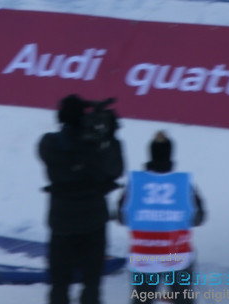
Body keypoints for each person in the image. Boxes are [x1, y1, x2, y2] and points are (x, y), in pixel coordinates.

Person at [38, 95, 125, 304]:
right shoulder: (96, 146)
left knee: (59, 283)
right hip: (93, 221)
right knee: (92, 284)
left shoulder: (49, 143)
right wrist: (110, 136)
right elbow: (115, 170)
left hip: (61, 221)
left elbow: (51, 151)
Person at [118, 131, 206, 301]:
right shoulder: (184, 183)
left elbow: (122, 217)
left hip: (144, 256)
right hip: (177, 255)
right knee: (183, 299)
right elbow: (199, 218)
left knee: (142, 300)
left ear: (149, 153)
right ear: (171, 153)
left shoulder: (135, 183)